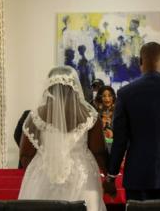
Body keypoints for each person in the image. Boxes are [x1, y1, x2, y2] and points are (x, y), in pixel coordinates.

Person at [103, 42, 160, 200]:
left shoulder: (125, 94)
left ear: (140, 62)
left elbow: (120, 140)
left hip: (137, 176)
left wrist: (112, 174)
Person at [18, 66, 108, 211]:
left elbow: (25, 155)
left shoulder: (36, 115)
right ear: (75, 86)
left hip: (46, 174)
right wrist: (108, 177)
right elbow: (99, 151)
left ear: (49, 87)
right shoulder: (89, 115)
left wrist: (47, 165)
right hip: (81, 176)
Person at [95, 86, 116, 152]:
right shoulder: (95, 113)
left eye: (110, 96)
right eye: (104, 96)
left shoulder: (119, 112)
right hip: (99, 147)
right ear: (100, 98)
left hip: (115, 147)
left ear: (113, 97)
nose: (107, 99)